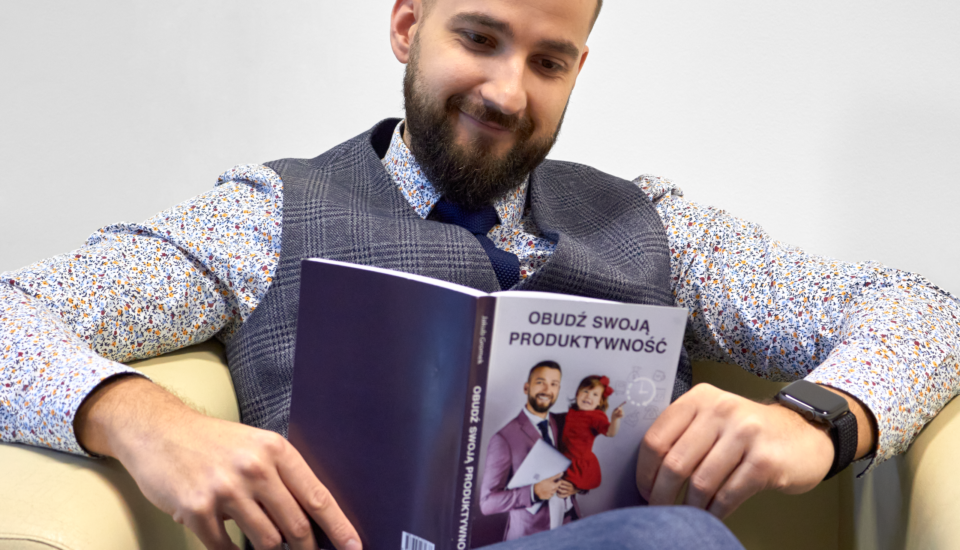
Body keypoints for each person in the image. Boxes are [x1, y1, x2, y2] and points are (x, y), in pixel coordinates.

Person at [0, 0, 958, 549]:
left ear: (580, 68)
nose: (507, 92)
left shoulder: (659, 227)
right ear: (407, 24)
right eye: (479, 38)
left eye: (549, 62)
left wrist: (822, 420)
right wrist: (145, 422)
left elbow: (926, 314)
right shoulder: (268, 213)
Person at [479, 361, 581, 540]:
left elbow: (581, 461)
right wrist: (533, 492)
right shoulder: (503, 439)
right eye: (540, 382)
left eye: (554, 384)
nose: (547, 390)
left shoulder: (563, 423)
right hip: (530, 538)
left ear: (558, 390)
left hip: (570, 530)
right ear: (526, 387)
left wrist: (576, 486)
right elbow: (487, 503)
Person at [560, 375, 625, 493]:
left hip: (578, 463)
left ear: (600, 401)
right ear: (577, 394)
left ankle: (574, 491)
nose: (588, 396)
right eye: (585, 391)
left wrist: (615, 419)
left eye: (595, 394)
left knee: (564, 490)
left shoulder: (596, 417)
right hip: (561, 458)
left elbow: (610, 433)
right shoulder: (571, 412)